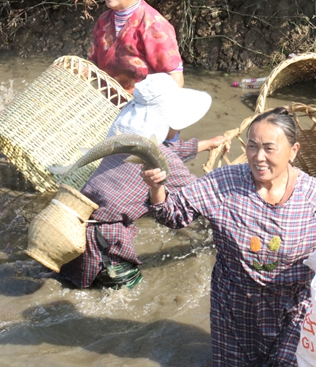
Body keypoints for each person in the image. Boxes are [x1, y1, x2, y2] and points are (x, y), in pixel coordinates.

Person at [140, 106, 316, 366]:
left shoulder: (312, 196)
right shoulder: (224, 183)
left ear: (293, 151)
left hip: (292, 311)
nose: (258, 157)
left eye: (269, 148)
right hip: (233, 307)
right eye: (252, 146)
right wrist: (157, 188)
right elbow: (173, 215)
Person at [59, 73, 227, 289]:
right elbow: (199, 193)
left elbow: (166, 150)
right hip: (105, 243)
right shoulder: (161, 159)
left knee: (71, 283)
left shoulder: (123, 141)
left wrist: (208, 144)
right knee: (129, 294)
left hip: (73, 226)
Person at [88, 0, 184, 93]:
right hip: (107, 104)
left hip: (142, 106)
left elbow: (175, 80)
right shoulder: (104, 20)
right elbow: (92, 63)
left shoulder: (154, 25)